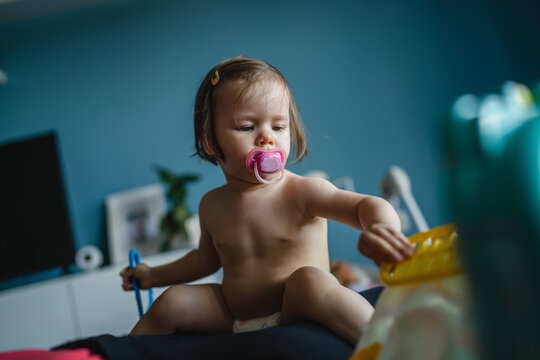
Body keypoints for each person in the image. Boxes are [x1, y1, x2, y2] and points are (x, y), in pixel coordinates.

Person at [120, 55, 414, 344]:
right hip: (233, 317)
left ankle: (385, 343)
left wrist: (381, 228)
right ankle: (121, 352)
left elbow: (365, 206)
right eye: (247, 127)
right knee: (174, 300)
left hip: (294, 309)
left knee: (308, 281)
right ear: (210, 140)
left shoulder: (302, 191)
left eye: (278, 126)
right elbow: (203, 261)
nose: (267, 138)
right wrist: (152, 276)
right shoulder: (211, 204)